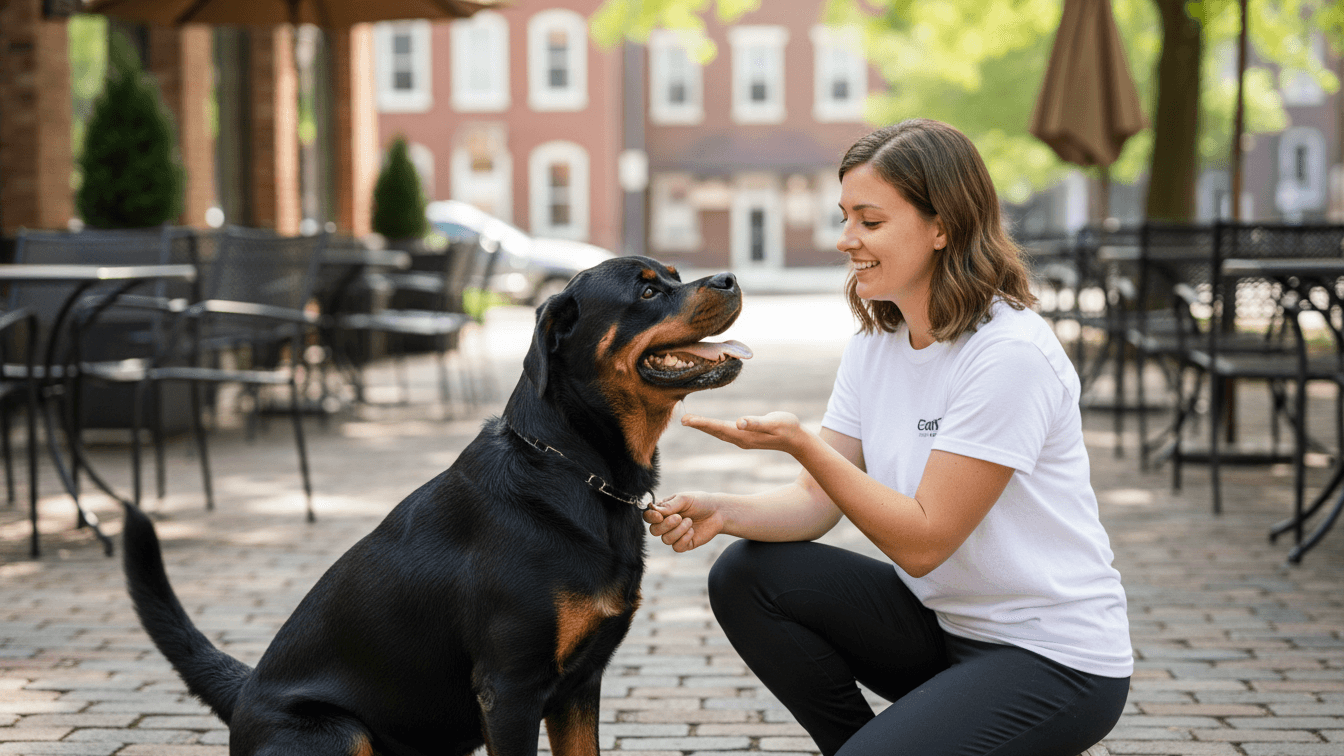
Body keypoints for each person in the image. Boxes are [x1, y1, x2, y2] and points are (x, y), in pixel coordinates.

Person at [643, 119, 1131, 756]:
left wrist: (803, 444)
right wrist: (724, 511)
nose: (846, 239)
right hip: (948, 632)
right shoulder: (877, 345)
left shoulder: (1008, 354)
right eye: (844, 217)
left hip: (1055, 659)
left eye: (870, 222)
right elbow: (815, 506)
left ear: (942, 226)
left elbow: (925, 542)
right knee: (746, 573)